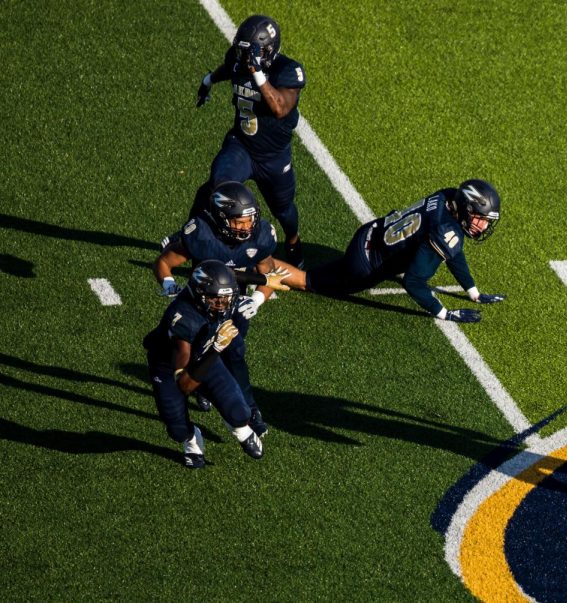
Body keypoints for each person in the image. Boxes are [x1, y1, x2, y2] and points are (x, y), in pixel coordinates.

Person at [155, 181, 289, 432]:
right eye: (239, 221)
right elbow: (164, 262)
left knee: (235, 353)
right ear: (220, 218)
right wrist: (169, 284)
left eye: (249, 220)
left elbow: (268, 273)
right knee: (201, 352)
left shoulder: (259, 235)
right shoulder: (202, 234)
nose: (247, 227)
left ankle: (249, 409)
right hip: (201, 305)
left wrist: (258, 298)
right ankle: (215, 393)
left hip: (234, 303)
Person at [280, 179, 505, 322]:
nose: (483, 226)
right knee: (307, 281)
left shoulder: (447, 196)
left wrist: (472, 291)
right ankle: (263, 264)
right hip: (365, 266)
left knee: (418, 251)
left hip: (371, 231)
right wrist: (444, 313)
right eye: (480, 219)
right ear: (466, 209)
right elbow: (414, 283)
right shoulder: (447, 230)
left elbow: (453, 249)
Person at [194, 14, 307, 267]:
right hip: (241, 145)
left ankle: (292, 241)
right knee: (218, 188)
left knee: (284, 210)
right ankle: (198, 241)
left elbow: (279, 108)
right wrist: (208, 81)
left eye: (250, 52)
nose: (245, 57)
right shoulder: (240, 60)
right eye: (243, 51)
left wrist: (257, 73)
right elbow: (230, 68)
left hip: (273, 155)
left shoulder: (289, 71)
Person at [143, 260, 265, 468]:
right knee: (177, 428)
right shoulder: (184, 319)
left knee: (239, 412)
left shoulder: (215, 294)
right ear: (200, 295)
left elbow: (233, 276)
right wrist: (216, 349)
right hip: (170, 366)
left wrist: (265, 279)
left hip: (204, 351)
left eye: (227, 298)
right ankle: (192, 439)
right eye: (217, 299)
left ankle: (241, 430)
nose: (223, 304)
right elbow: (184, 385)